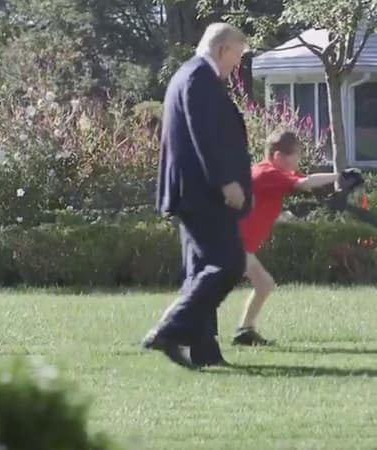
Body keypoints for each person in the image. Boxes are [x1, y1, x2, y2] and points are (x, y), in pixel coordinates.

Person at [141, 22, 252, 369]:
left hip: (193, 192)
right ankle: (171, 328)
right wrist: (225, 182)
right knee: (228, 263)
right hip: (203, 192)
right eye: (238, 53)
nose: (239, 62)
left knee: (201, 270)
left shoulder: (189, 76)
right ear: (222, 49)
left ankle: (204, 350)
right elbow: (203, 135)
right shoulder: (199, 79)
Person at [232, 130, 354, 346]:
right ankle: (174, 330)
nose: (298, 159)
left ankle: (244, 331)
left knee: (263, 284)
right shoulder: (269, 173)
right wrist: (340, 177)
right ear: (278, 156)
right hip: (231, 242)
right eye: (295, 155)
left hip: (238, 243)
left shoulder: (274, 174)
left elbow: (261, 208)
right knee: (211, 290)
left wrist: (285, 217)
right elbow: (305, 184)